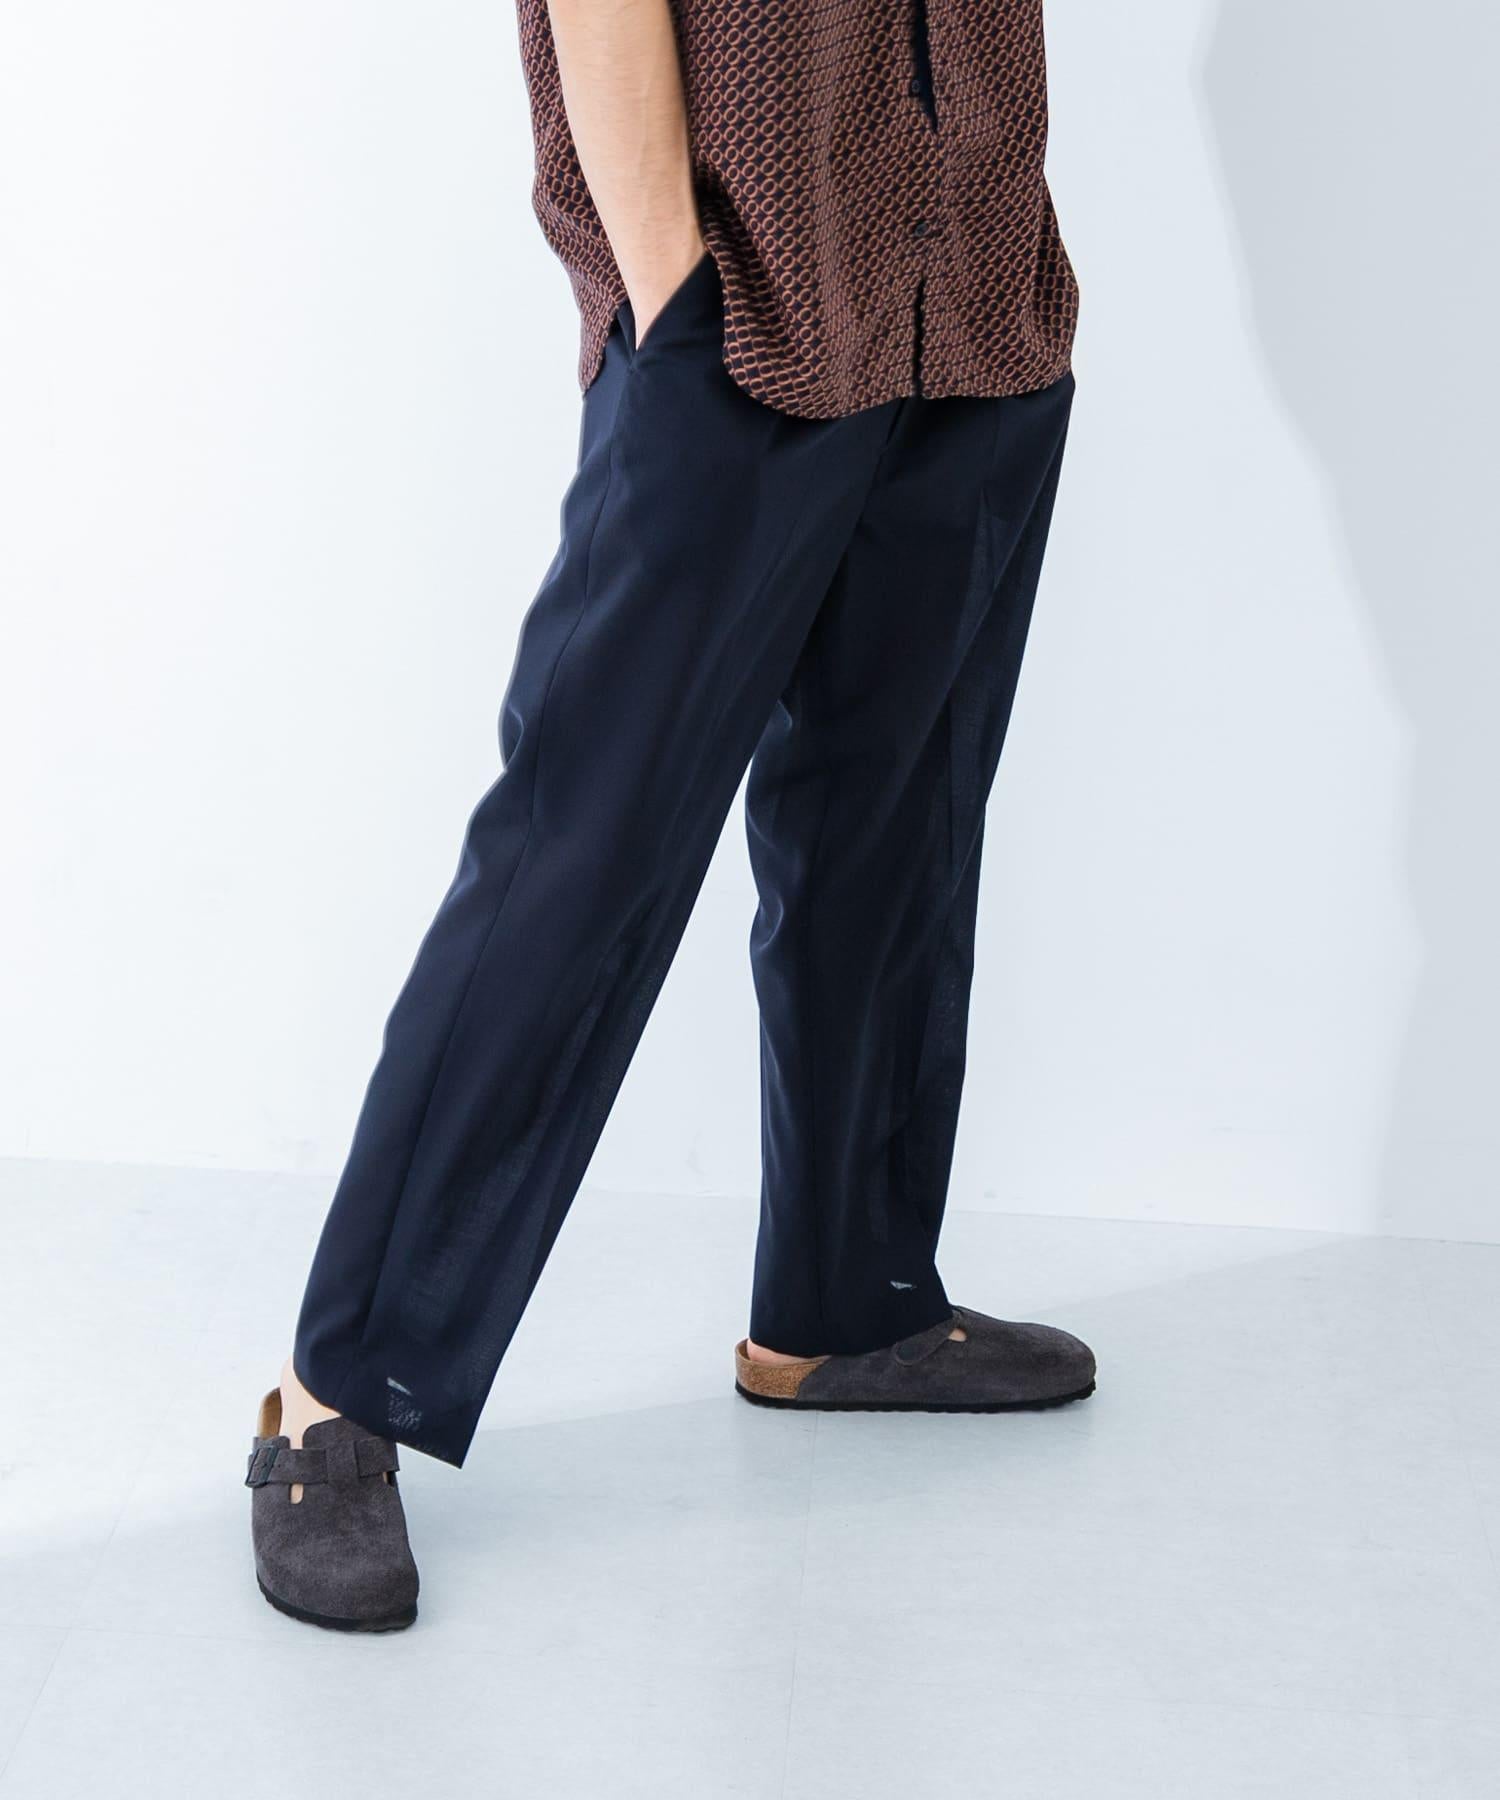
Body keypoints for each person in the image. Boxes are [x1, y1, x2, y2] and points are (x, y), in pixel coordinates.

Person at [245, 0, 1095, 1633]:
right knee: (581, 855)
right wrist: (667, 283)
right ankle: (338, 1394)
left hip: (972, 288)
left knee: (899, 830)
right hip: (747, 305)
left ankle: (844, 1301)